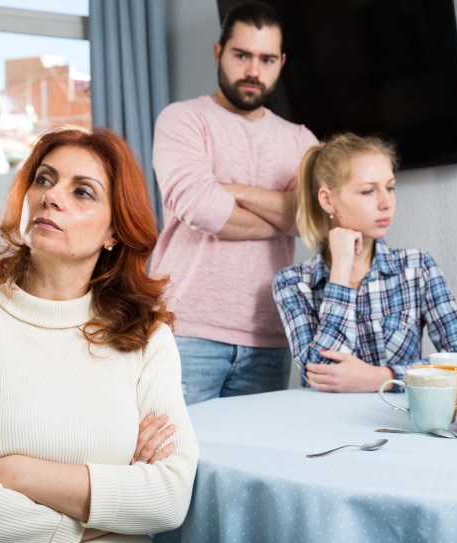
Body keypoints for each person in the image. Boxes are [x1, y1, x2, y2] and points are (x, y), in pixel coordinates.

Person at [0, 126, 199, 543]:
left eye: (82, 191)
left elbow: (170, 498)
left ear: (114, 233)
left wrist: (18, 474)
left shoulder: (146, 337)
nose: (50, 195)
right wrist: (101, 520)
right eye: (44, 179)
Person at [149, 1, 318, 404]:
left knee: (250, 460)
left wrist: (235, 190)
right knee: (173, 465)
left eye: (266, 59)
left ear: (281, 63)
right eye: (242, 55)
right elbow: (201, 207)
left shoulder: (300, 140)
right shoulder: (183, 120)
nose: (253, 71)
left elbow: (315, 218)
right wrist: (286, 213)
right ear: (218, 52)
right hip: (186, 331)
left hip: (270, 336)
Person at [273, 132, 457, 392]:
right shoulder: (292, 282)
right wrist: (340, 274)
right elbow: (320, 373)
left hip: (401, 422)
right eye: (367, 191)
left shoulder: (417, 268)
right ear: (328, 200)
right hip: (325, 424)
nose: (386, 203)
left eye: (390, 187)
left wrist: (383, 377)